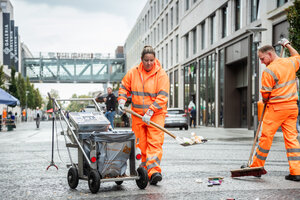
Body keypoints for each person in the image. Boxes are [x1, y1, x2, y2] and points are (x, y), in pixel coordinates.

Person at [118, 45, 169, 185]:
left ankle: (154, 172)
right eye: (146, 60)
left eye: (151, 60)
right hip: (137, 115)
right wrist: (122, 99)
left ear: (155, 59)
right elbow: (123, 86)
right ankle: (145, 170)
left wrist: (151, 110)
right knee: (141, 144)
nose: (149, 63)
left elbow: (163, 96)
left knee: (155, 143)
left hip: (156, 115)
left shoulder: (161, 74)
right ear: (141, 60)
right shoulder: (133, 73)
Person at [250, 38, 300, 181]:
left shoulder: (269, 71)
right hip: (292, 108)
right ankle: (296, 172)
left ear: (270, 54)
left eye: (262, 58)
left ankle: (256, 167)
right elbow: (298, 57)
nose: (262, 62)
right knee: (292, 140)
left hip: (276, 109)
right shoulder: (290, 63)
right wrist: (287, 44)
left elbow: (265, 94)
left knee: (265, 138)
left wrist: (264, 100)